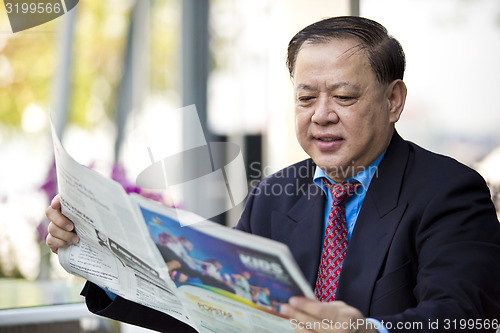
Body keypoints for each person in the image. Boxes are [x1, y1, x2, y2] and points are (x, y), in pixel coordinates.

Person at [46, 16, 500, 332]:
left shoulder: (450, 192)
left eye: (343, 97)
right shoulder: (275, 196)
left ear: (394, 100)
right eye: (305, 99)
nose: (321, 115)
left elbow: (466, 318)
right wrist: (100, 257)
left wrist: (370, 331)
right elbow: (210, 309)